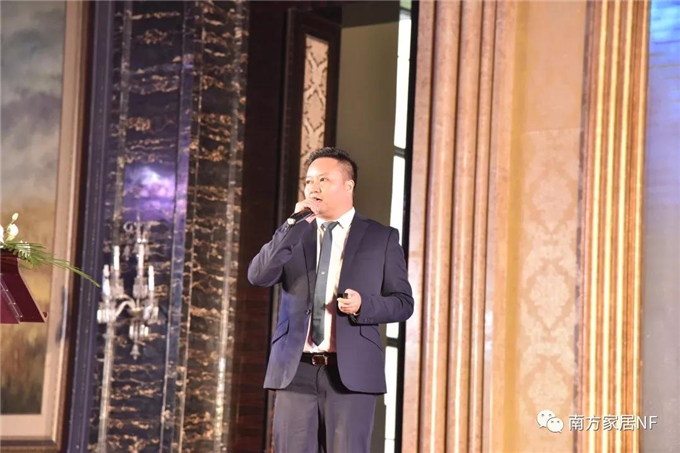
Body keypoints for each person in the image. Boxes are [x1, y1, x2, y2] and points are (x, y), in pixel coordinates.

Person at [248, 147, 414, 453]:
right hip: (295, 371)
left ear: (348, 185)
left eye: (323, 179)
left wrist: (364, 305)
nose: (313, 187)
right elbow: (258, 276)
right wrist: (292, 224)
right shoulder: (294, 234)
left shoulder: (381, 238)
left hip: (351, 374)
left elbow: (403, 302)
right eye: (309, 181)